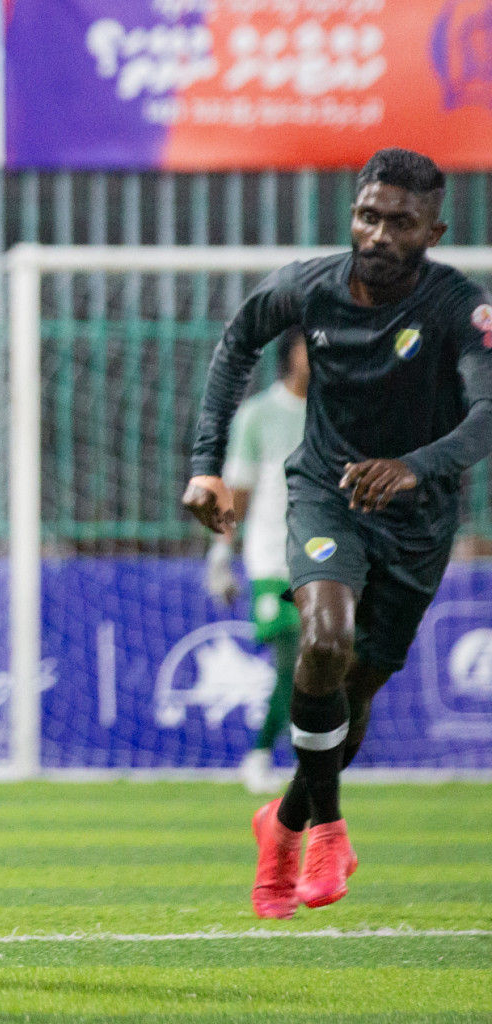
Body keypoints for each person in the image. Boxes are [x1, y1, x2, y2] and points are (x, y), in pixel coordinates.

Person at [183, 148, 492, 919]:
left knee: (352, 698)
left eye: (400, 222)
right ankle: (325, 827)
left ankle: (281, 822)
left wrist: (416, 465)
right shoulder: (308, 284)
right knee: (323, 640)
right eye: (368, 215)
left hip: (417, 518)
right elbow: (235, 346)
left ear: (433, 230)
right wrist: (206, 466)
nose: (379, 233)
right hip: (325, 491)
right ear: (354, 213)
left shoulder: (460, 306)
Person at [204, 328, 308, 794]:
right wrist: (222, 554)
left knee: (321, 663)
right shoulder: (259, 415)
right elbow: (238, 493)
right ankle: (261, 754)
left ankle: (308, 756)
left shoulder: (336, 415)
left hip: (322, 560)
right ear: (291, 355)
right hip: (271, 561)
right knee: (292, 657)